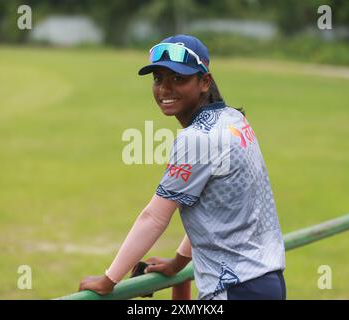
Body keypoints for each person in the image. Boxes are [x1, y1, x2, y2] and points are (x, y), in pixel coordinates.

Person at [79, 34, 286, 300]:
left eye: (179, 78)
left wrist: (108, 279)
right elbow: (215, 209)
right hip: (267, 282)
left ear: (204, 82)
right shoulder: (234, 119)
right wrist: (178, 263)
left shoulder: (197, 139)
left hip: (235, 290)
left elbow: (153, 217)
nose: (165, 89)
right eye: (158, 79)